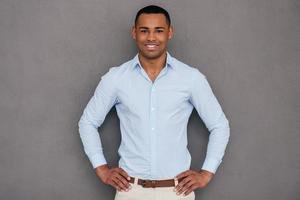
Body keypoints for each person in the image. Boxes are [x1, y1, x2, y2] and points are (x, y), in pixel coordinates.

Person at [78, 5, 230, 200]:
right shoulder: (116, 78)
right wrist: (102, 169)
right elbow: (87, 122)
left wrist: (206, 173)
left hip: (177, 192)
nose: (151, 38)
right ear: (134, 33)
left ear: (170, 32)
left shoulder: (191, 78)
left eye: (158, 30)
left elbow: (219, 125)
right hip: (130, 191)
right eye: (144, 31)